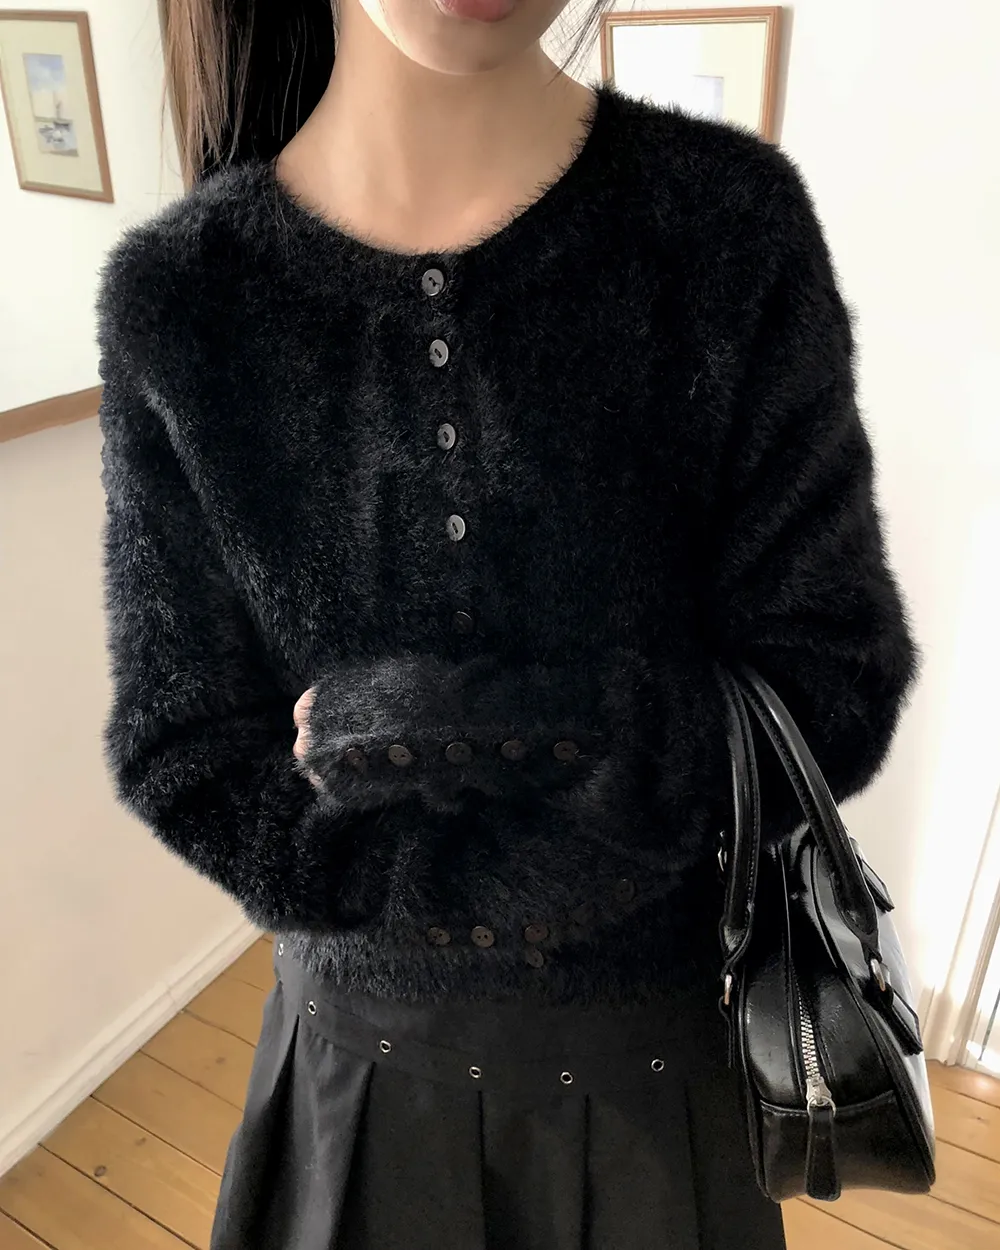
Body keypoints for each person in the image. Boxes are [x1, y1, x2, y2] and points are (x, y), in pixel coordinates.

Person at [94, 0, 919, 1245]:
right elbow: (183, 748)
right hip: (358, 1090)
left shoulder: (724, 225)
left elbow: (832, 676)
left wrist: (433, 725)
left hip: (664, 1095)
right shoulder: (180, 298)